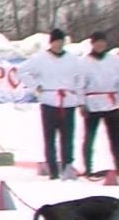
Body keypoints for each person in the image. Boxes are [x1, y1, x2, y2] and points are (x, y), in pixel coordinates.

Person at [19, 28, 83, 180]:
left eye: (61, 41)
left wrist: (78, 98)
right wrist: (35, 87)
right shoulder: (40, 58)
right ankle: (53, 169)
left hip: (67, 101)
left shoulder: (72, 59)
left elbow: (80, 78)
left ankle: (67, 166)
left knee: (67, 137)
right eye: (56, 41)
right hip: (49, 100)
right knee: (50, 138)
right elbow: (22, 71)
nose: (58, 44)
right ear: (51, 42)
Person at [79, 31, 119, 175]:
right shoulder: (84, 62)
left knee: (115, 138)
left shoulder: (113, 60)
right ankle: (88, 168)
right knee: (89, 138)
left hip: (111, 103)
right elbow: (79, 84)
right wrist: (81, 103)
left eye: (102, 42)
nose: (100, 45)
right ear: (92, 44)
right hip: (92, 104)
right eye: (97, 42)